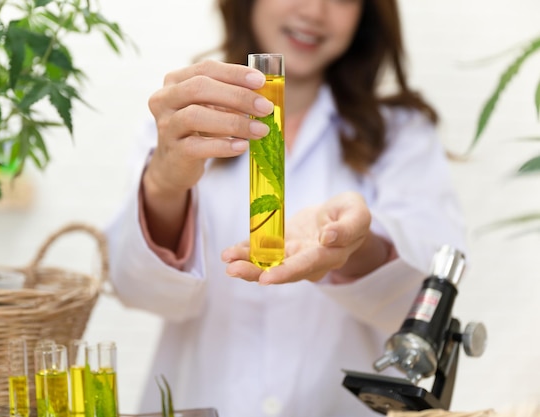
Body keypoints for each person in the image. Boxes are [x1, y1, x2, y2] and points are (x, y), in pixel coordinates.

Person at [106, 0, 466, 416]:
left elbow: (424, 300)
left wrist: (353, 247)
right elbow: (137, 289)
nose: (314, 11)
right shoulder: (180, 122)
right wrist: (165, 182)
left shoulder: (401, 135)